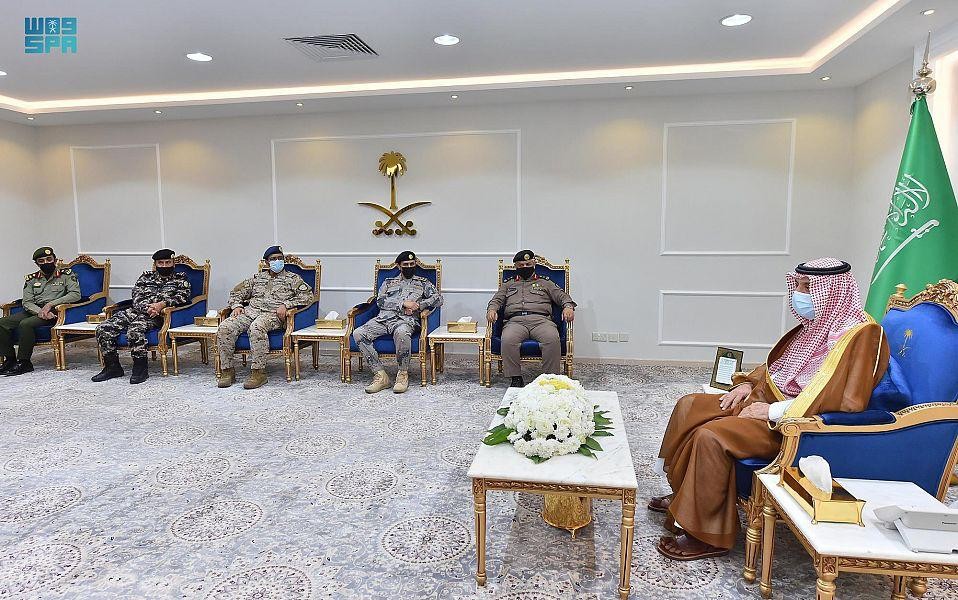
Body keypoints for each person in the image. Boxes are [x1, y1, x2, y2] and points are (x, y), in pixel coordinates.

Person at [652, 258, 889, 561]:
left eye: (808, 287)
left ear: (832, 291)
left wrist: (772, 412)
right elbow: (780, 367)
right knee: (689, 405)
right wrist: (748, 384)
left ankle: (706, 536)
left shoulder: (862, 335)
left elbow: (845, 401)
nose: (800, 294)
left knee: (710, 436)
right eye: (799, 285)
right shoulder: (817, 324)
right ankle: (684, 495)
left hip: (790, 425)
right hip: (765, 398)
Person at [216, 245, 312, 390]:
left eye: (280, 258)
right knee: (225, 327)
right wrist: (236, 305)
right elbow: (236, 292)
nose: (277, 261)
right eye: (273, 259)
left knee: (257, 327)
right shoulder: (257, 279)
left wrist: (286, 304)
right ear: (267, 262)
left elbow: (308, 296)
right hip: (250, 312)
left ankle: (258, 372)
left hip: (273, 315)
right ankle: (227, 371)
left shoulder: (292, 279)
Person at [92, 249, 192, 384]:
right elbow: (136, 297)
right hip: (137, 311)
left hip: (159, 316)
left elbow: (183, 297)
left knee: (134, 330)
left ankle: (140, 368)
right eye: (160, 263)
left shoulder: (180, 279)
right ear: (155, 264)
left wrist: (161, 305)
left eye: (167, 262)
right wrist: (149, 308)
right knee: (103, 328)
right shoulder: (145, 278)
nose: (164, 265)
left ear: (173, 264)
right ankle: (112, 367)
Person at [352, 251, 443, 394]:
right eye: (406, 264)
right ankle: (380, 375)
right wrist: (403, 304)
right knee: (358, 333)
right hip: (383, 319)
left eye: (412, 264)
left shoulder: (423, 282)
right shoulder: (388, 282)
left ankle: (402, 375)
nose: (409, 267)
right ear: (399, 266)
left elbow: (438, 299)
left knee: (401, 333)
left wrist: (419, 305)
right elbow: (380, 301)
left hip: (405, 321)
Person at [486, 250, 575, 388]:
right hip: (515, 322)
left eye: (528, 264)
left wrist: (568, 307)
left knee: (552, 339)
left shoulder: (545, 282)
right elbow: (496, 300)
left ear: (534, 264)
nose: (525, 267)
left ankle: (550, 378)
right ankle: (516, 378)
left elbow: (562, 296)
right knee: (508, 339)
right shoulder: (508, 284)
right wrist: (492, 309)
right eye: (521, 265)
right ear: (516, 266)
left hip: (541, 321)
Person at [0, 247, 81, 376]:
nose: (46, 262)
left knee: (26, 324)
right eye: (41, 261)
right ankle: (10, 360)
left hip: (56, 311)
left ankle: (24, 362)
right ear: (37, 263)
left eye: (49, 259)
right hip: (36, 310)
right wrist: (40, 311)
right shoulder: (32, 279)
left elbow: (75, 295)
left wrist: (50, 305)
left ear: (54, 259)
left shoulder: (66, 275)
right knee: (2, 323)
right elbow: (27, 302)